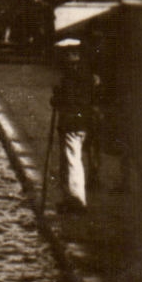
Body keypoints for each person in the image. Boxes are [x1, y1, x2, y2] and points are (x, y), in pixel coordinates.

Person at [51, 40, 100, 213]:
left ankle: (77, 200)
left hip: (72, 122)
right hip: (81, 122)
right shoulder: (86, 74)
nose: (65, 57)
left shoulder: (72, 76)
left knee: (72, 160)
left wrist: (57, 97)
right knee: (69, 159)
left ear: (74, 55)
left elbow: (69, 100)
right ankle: (69, 198)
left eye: (68, 54)